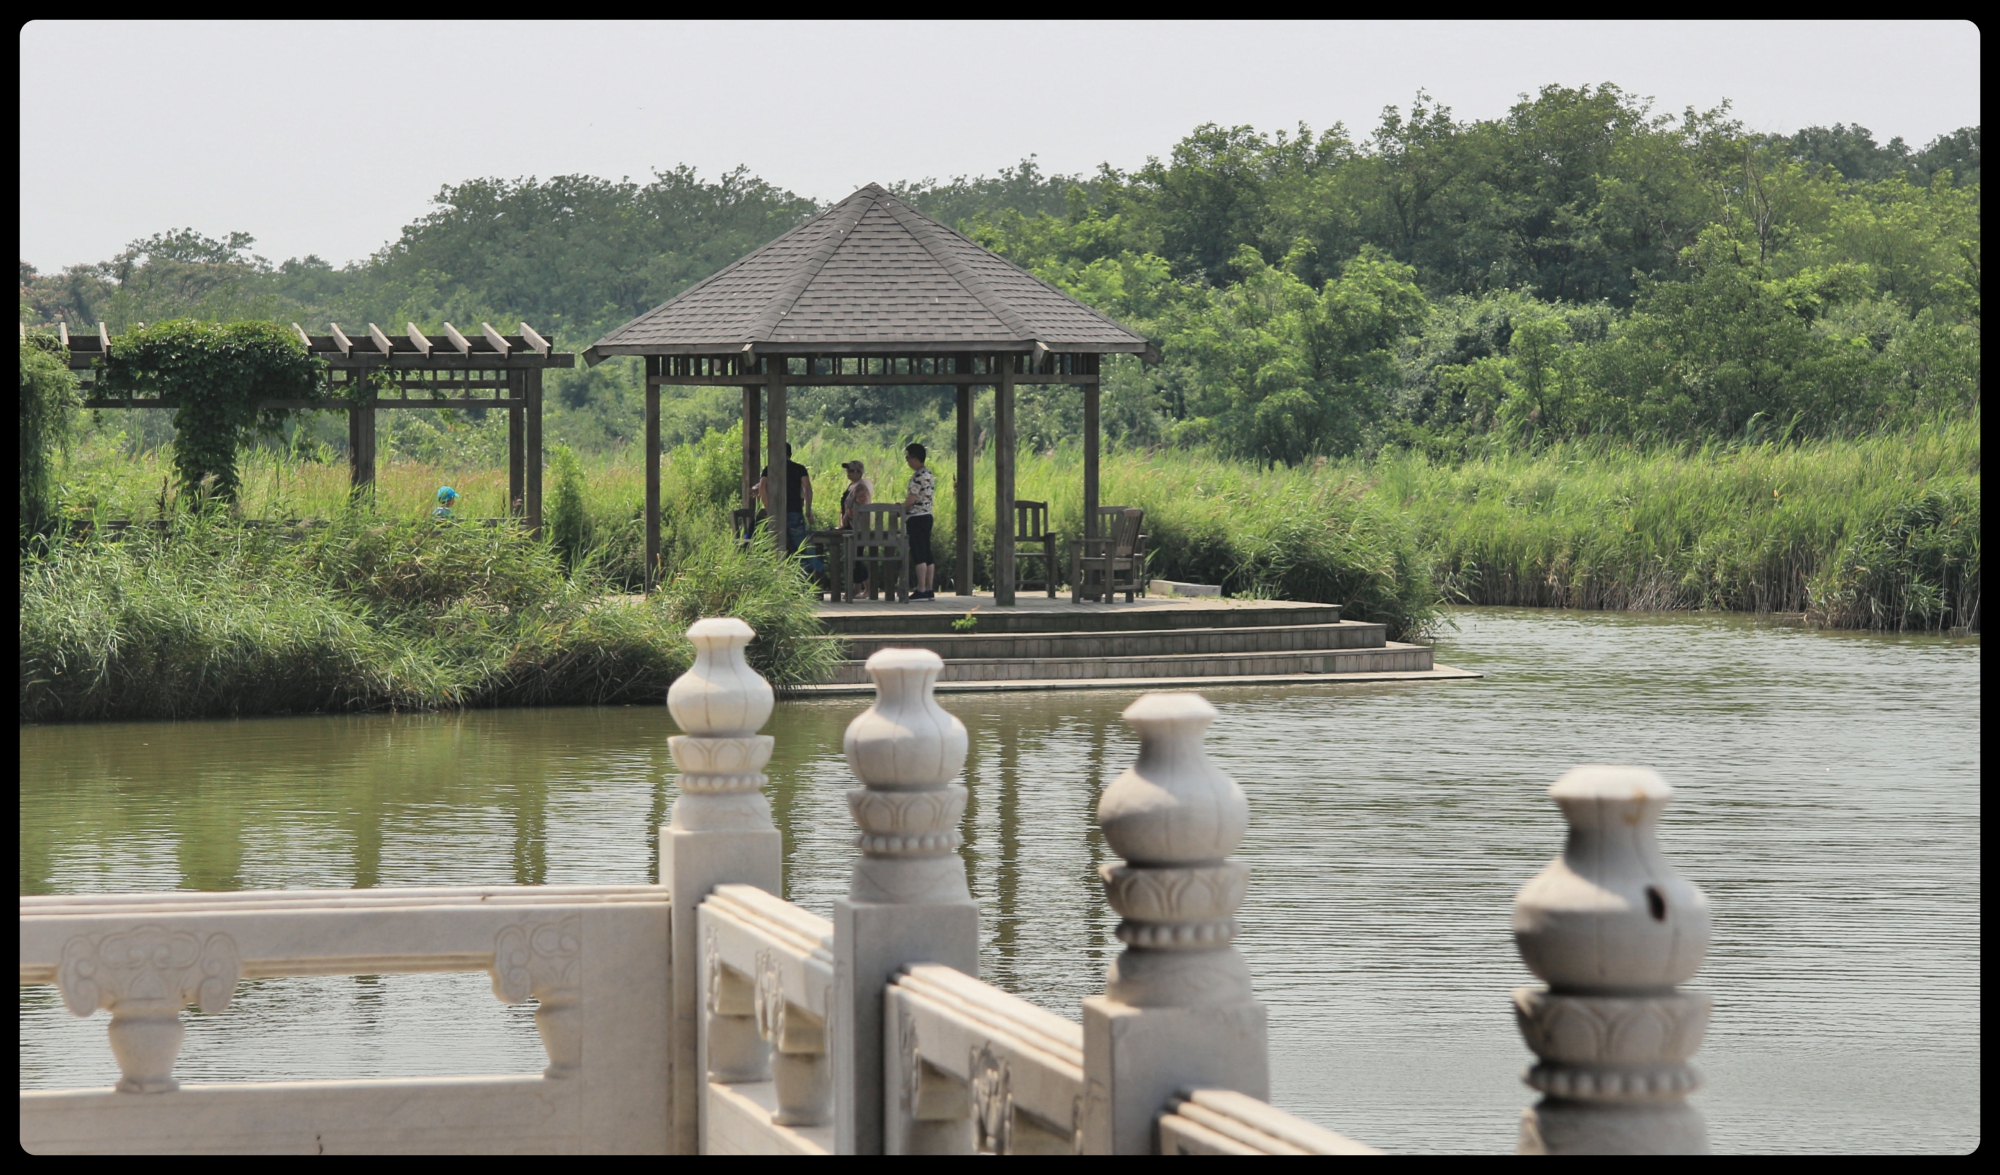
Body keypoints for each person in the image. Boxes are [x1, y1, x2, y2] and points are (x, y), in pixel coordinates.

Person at [755, 443, 812, 556]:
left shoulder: (769, 469)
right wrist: (808, 510)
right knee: (800, 548)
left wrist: (769, 509)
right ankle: (803, 566)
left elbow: (762, 488)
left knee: (775, 546)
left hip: (776, 512)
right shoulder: (799, 468)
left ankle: (777, 565)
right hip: (795, 510)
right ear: (790, 454)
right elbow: (807, 488)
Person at [902, 442, 936, 600]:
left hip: (916, 517)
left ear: (915, 458)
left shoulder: (917, 476)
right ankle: (929, 588)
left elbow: (911, 500)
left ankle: (921, 589)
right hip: (927, 515)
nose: (907, 461)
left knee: (918, 553)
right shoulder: (929, 474)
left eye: (908, 457)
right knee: (927, 553)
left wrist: (900, 509)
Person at [839, 459, 876, 599]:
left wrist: (849, 514)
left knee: (855, 558)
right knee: (853, 556)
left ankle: (869, 587)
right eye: (847, 470)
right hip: (850, 526)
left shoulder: (861, 488)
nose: (848, 473)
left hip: (858, 528)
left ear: (859, 473)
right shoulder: (852, 486)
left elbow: (863, 508)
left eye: (851, 470)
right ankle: (856, 588)